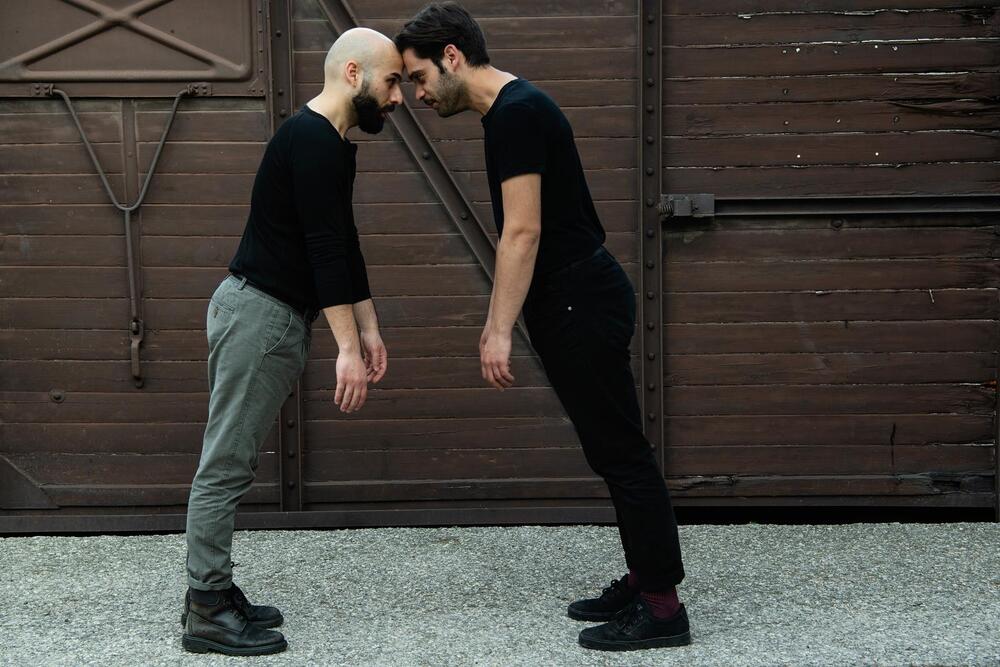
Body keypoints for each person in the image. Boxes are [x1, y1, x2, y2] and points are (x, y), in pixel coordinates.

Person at [395, 3, 691, 652]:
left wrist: (498, 328)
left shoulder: (516, 115)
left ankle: (663, 608)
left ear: (452, 56)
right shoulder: (514, 109)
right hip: (575, 297)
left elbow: (522, 231)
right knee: (613, 450)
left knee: (621, 452)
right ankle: (645, 577)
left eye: (418, 77)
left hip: (578, 299)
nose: (417, 94)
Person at [181, 27, 402, 656]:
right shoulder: (312, 140)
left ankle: (214, 591)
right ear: (353, 73)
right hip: (260, 316)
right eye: (391, 82)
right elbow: (324, 251)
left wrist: (369, 326)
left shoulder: (327, 143)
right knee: (225, 463)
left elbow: (342, 241)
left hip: (267, 315)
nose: (399, 97)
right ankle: (206, 607)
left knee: (231, 460)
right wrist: (348, 349)